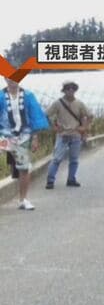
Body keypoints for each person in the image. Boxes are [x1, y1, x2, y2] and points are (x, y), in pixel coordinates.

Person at [0, 77, 49, 210]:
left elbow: (35, 117)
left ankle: (23, 199)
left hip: (23, 137)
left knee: (24, 168)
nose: (12, 79)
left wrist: (35, 138)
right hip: (3, 137)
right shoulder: (0, 95)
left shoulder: (28, 96)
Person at [45, 80, 92, 189]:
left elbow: (90, 115)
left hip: (76, 135)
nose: (70, 90)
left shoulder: (80, 104)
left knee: (74, 159)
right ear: (64, 90)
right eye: (68, 88)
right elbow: (46, 115)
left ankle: (71, 179)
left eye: (72, 88)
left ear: (75, 90)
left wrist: (84, 128)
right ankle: (50, 181)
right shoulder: (57, 103)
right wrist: (54, 127)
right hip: (63, 135)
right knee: (56, 159)